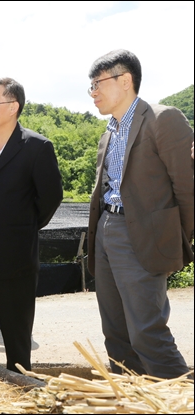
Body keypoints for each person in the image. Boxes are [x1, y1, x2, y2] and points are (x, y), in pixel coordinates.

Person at [86, 49, 194, 379]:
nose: (93, 92)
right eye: (91, 86)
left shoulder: (163, 119)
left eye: (97, 83)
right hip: (106, 230)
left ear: (125, 80)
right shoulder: (108, 133)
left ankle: (181, 398)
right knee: (115, 332)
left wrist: (174, 238)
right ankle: (132, 396)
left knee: (147, 332)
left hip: (144, 236)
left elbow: (187, 188)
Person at [0, 77, 63, 373]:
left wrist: (23, 227)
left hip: (16, 255)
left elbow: (50, 197)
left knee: (16, 334)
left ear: (13, 107)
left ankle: (20, 389)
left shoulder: (37, 147)